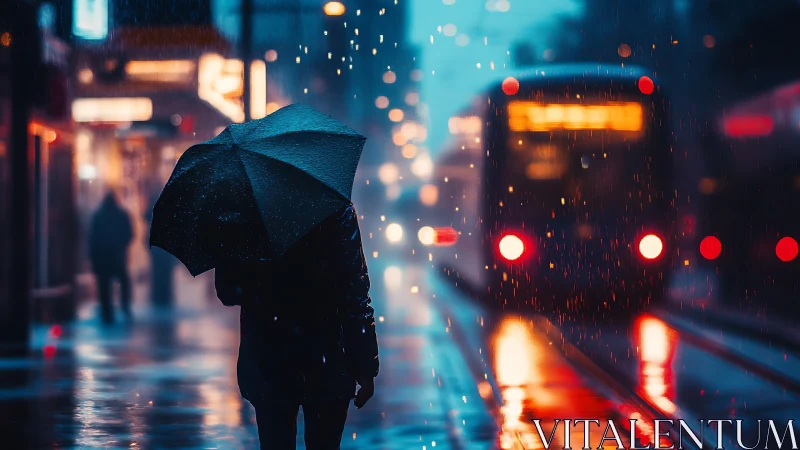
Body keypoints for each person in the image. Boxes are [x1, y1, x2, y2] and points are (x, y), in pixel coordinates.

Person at [215, 203, 379, 450]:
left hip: (269, 357)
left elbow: (228, 292)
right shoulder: (335, 207)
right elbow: (355, 293)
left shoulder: (248, 211)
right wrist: (366, 367)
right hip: (327, 356)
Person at [88, 191, 134, 324]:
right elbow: (129, 234)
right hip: (117, 256)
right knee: (124, 280)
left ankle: (107, 311)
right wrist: (121, 245)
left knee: (104, 285)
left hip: (102, 257)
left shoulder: (98, 215)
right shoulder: (122, 214)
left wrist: (92, 257)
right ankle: (124, 305)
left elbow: (93, 239)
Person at [145, 189, 177, 307]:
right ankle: (165, 296)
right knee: (165, 272)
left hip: (157, 245)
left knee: (158, 272)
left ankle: (158, 296)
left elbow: (146, 217)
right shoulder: (170, 208)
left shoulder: (153, 209)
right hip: (166, 246)